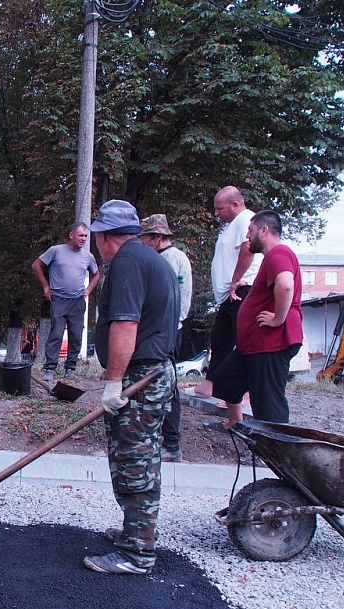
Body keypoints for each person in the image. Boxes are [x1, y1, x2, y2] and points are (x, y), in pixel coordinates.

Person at [84, 200, 179, 576]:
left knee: (135, 463)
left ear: (104, 236)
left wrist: (113, 383)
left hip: (141, 379)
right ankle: (135, 532)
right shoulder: (153, 260)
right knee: (142, 460)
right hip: (152, 374)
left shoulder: (126, 262)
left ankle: (137, 553)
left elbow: (125, 325)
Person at [209, 211, 303, 428]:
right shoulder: (272, 258)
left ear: (264, 230)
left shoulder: (278, 253)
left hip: (271, 343)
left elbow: (285, 285)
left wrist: (278, 319)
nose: (247, 236)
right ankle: (236, 422)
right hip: (254, 345)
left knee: (267, 403)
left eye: (250, 231)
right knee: (226, 381)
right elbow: (274, 287)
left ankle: (274, 445)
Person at [195, 186, 261, 398]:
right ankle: (212, 384)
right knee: (220, 339)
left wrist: (234, 281)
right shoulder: (233, 225)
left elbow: (248, 249)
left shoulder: (246, 219)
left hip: (242, 290)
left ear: (235, 204)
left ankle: (246, 391)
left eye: (219, 208)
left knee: (244, 341)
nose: (216, 213)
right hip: (228, 296)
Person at [139, 214, 192, 462]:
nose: (142, 242)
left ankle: (171, 443)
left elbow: (159, 298)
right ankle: (164, 439)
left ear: (157, 237)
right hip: (169, 328)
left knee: (167, 385)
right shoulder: (172, 256)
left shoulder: (168, 259)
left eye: (145, 238)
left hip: (167, 329)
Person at [31, 222, 100, 380]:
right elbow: (36, 265)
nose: (83, 239)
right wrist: (45, 286)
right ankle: (50, 368)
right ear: (71, 235)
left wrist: (88, 290)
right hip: (59, 300)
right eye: (81, 235)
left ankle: (70, 369)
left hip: (77, 301)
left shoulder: (88, 256)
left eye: (86, 236)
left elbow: (96, 274)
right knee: (56, 334)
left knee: (76, 336)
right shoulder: (56, 251)